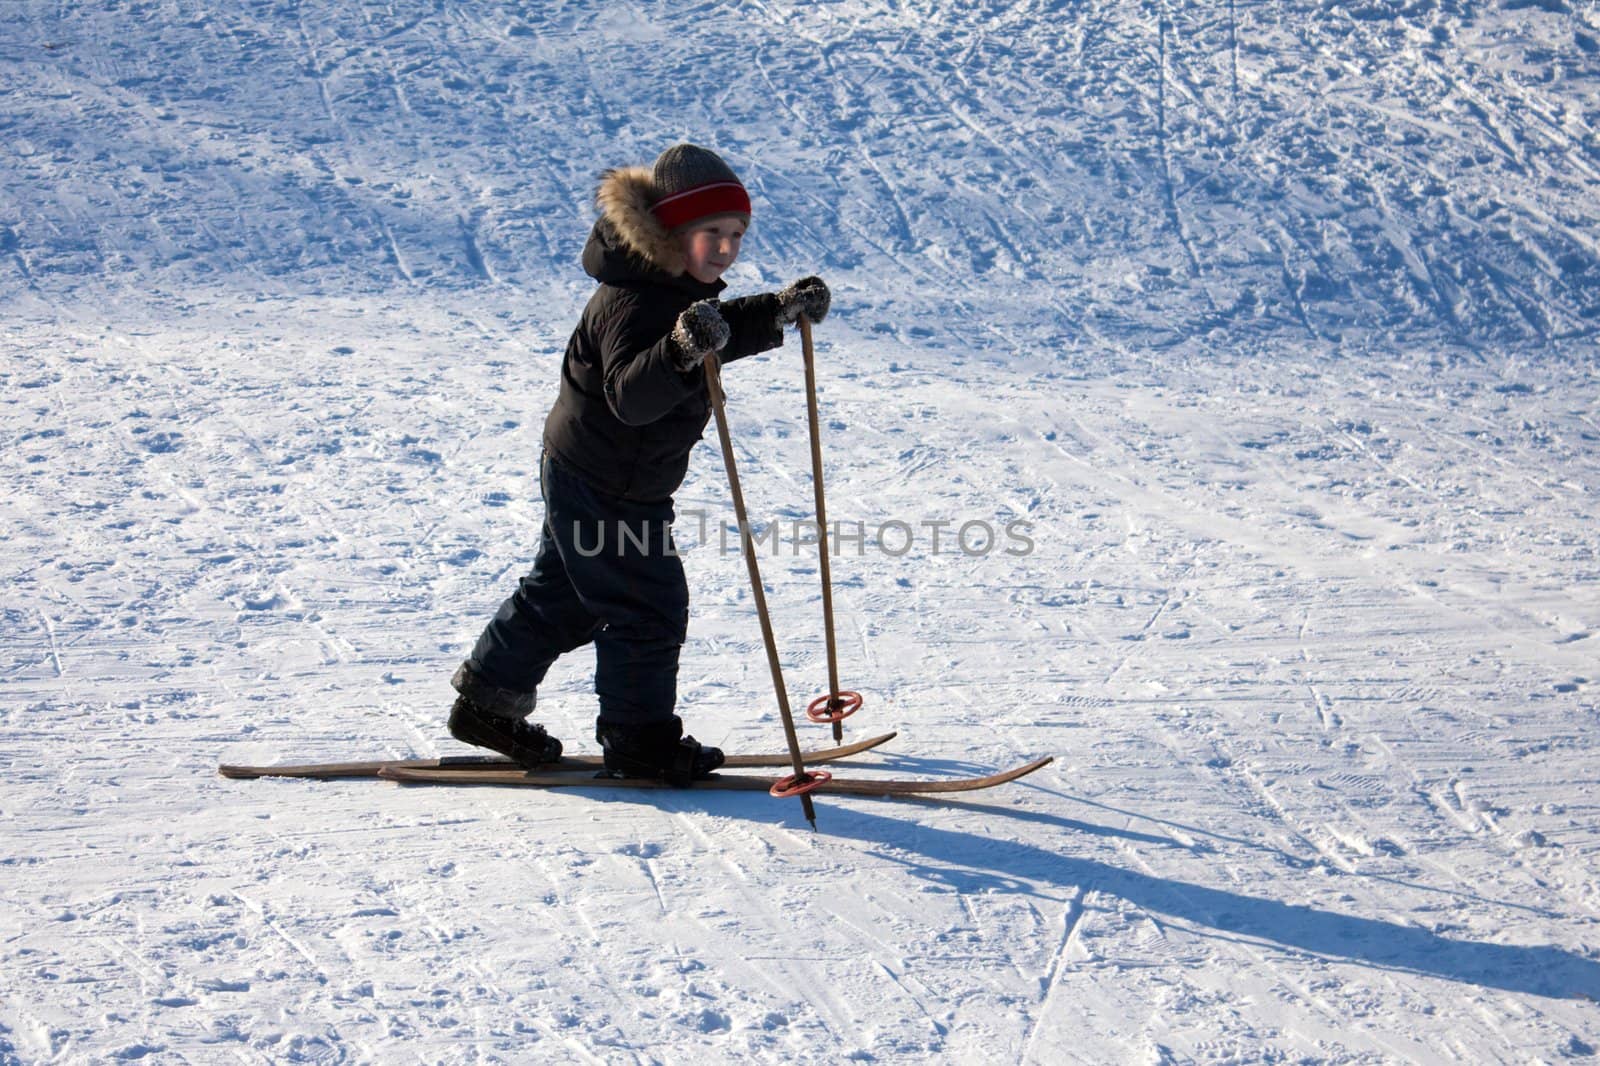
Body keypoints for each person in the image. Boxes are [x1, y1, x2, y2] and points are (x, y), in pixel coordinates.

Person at [447, 143, 831, 785]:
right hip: (609, 483)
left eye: (738, 234)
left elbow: (711, 326)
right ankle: (640, 742)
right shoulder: (633, 300)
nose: (729, 248)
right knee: (646, 606)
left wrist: (774, 311)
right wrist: (682, 351)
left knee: (567, 595)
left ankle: (486, 703)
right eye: (714, 233)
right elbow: (632, 395)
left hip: (599, 473)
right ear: (672, 230)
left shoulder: (668, 284)